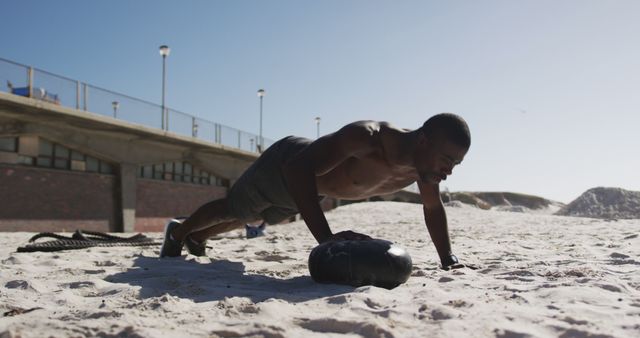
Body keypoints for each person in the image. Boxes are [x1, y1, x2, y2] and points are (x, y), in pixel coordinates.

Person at [160, 113, 471, 270]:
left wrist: (448, 259)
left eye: (455, 163)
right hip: (288, 164)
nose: (449, 170)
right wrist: (326, 239)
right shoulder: (367, 139)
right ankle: (178, 233)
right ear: (424, 142)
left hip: (312, 188)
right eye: (447, 160)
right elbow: (298, 169)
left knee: (253, 215)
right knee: (237, 208)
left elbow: (432, 209)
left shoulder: (424, 170)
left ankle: (198, 237)